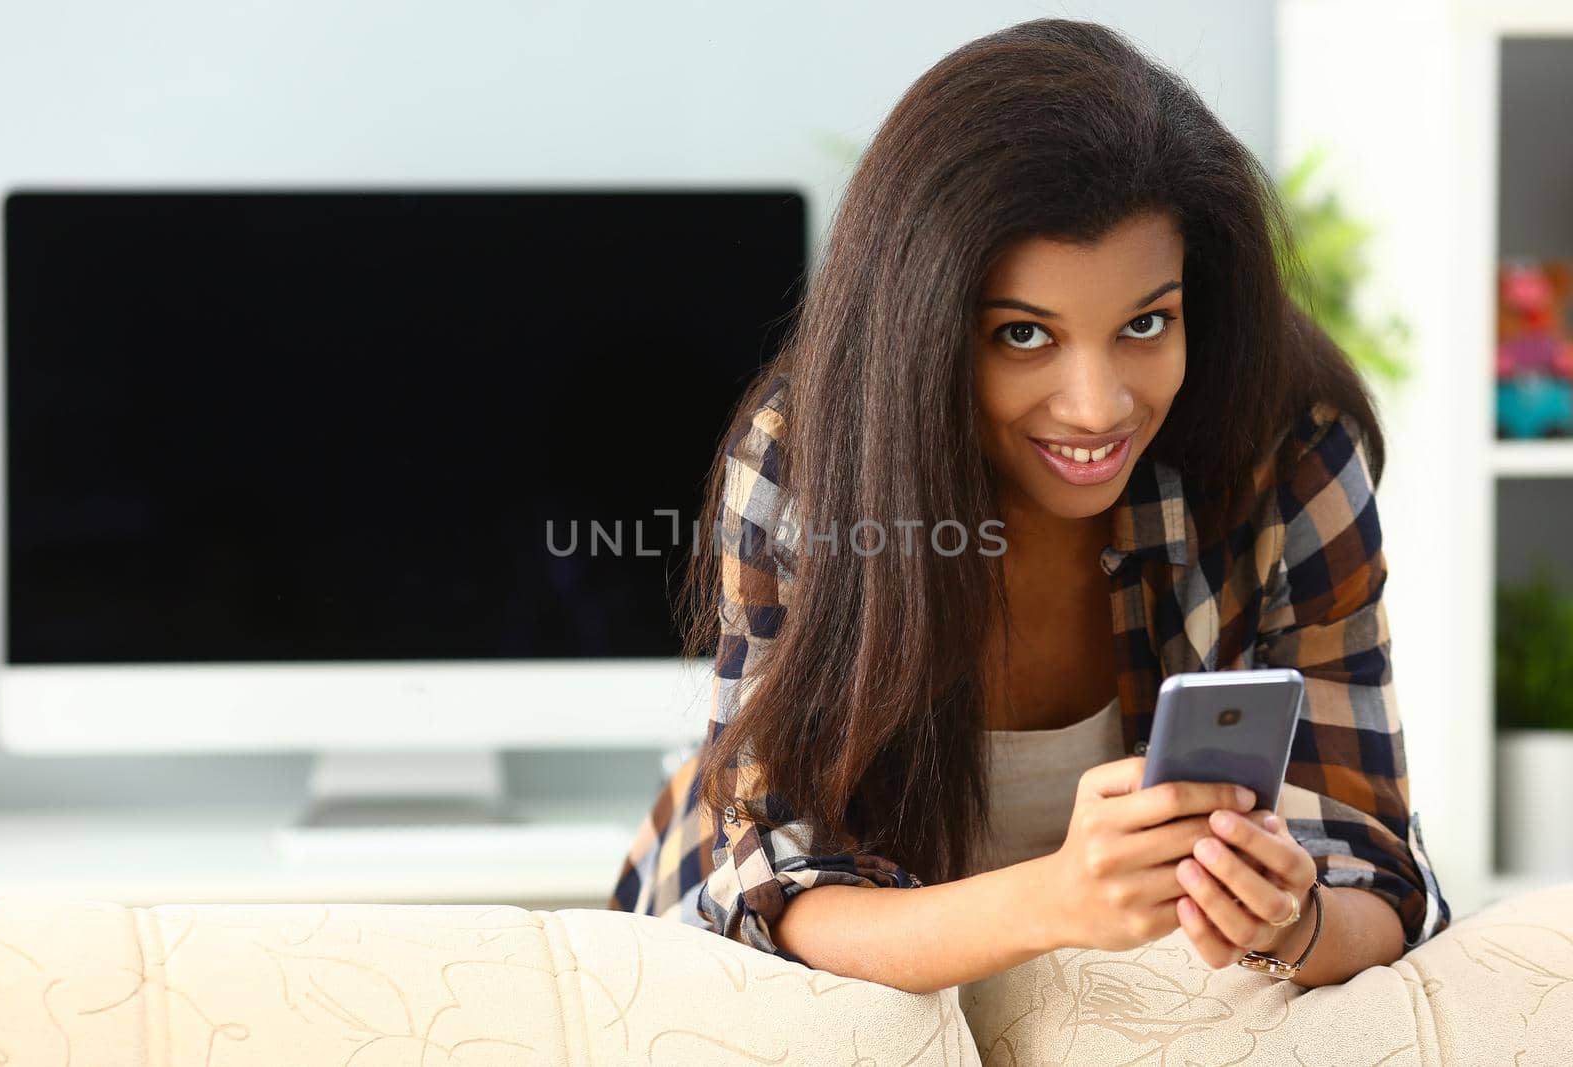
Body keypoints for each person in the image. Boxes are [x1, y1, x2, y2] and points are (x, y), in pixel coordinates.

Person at [608, 16, 1449, 995]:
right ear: (927, 331)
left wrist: (1291, 917)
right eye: (1022, 335)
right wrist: (1051, 899)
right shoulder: (809, 461)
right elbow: (771, 891)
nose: (1097, 405)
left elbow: (1375, 869)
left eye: (1146, 322)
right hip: (780, 979)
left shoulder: (1283, 452)